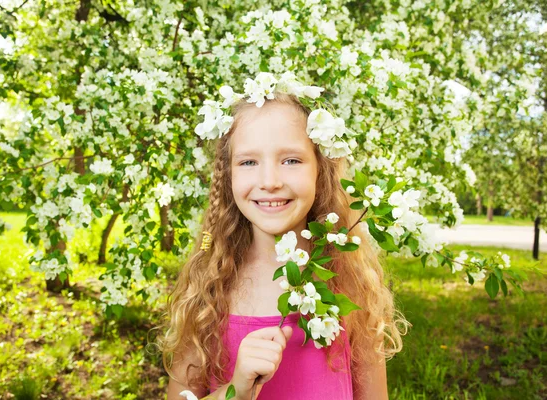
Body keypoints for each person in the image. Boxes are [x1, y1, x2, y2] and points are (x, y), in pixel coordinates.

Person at [161, 86, 408, 399]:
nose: (269, 181)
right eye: (248, 162)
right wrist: (235, 391)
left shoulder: (351, 283)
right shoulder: (208, 291)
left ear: (321, 171)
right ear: (228, 175)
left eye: (291, 160)